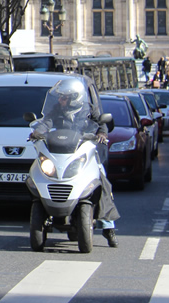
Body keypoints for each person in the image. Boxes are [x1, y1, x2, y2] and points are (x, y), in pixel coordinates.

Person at [31, 78, 119, 247]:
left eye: (64, 98)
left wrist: (102, 134)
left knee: (102, 181)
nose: (60, 100)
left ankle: (109, 227)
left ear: (74, 98)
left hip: (82, 152)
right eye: (60, 97)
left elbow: (101, 123)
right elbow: (46, 122)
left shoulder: (89, 111)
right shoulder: (57, 110)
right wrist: (37, 132)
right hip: (63, 153)